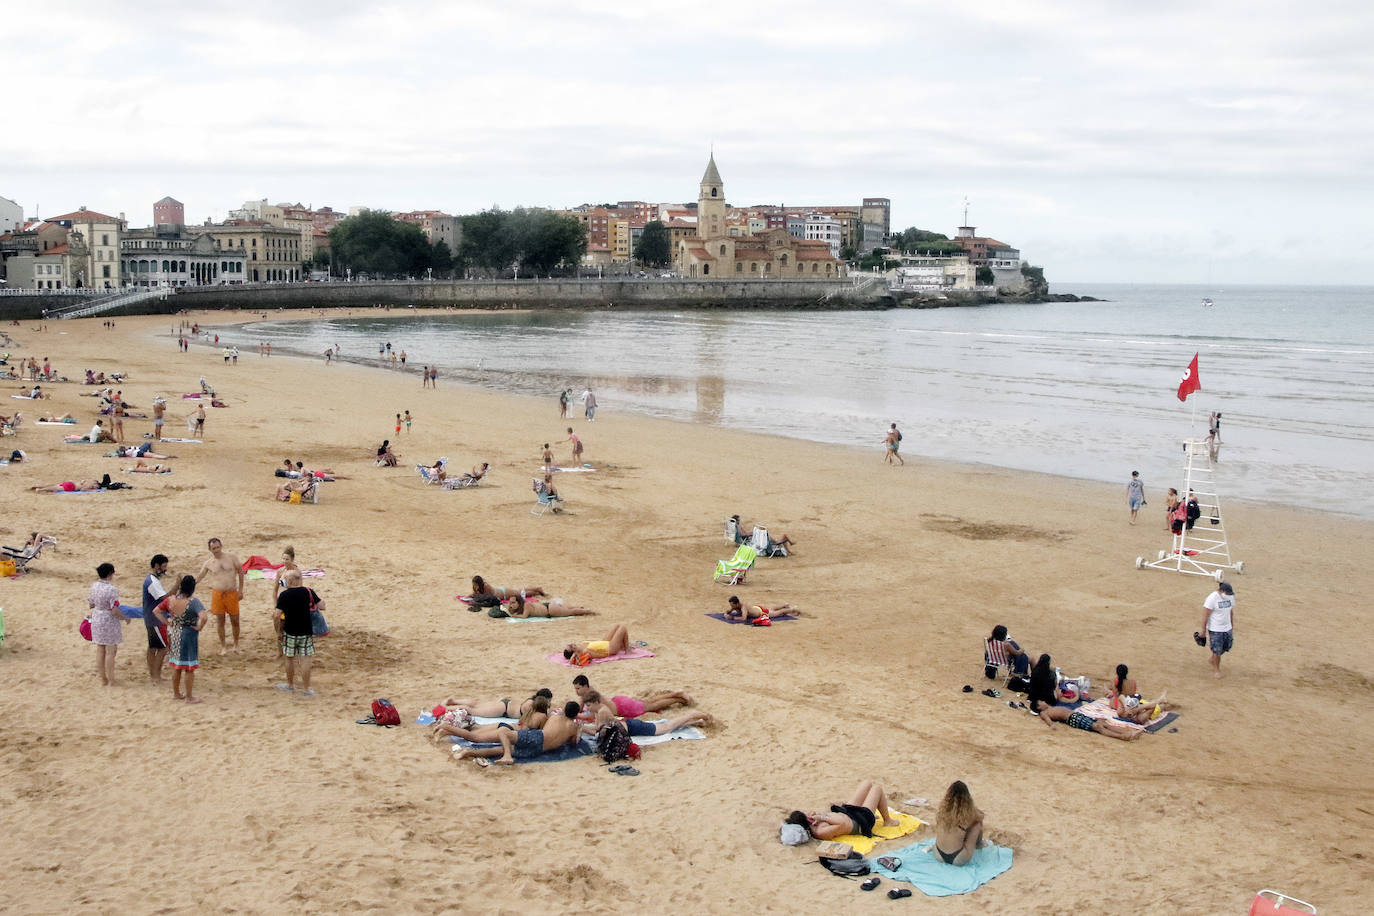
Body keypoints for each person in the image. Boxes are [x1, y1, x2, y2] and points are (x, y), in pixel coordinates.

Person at [452, 701, 585, 766]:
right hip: (539, 750)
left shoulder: (555, 717)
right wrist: (578, 730)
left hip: (536, 737)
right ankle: (468, 753)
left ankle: (507, 756)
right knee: (496, 750)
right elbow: (573, 743)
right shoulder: (573, 727)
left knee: (502, 732)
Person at [785, 781, 898, 840]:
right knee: (876, 789)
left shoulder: (814, 823)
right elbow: (842, 823)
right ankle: (887, 820)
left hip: (847, 812)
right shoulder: (820, 832)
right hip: (860, 821)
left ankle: (873, 810)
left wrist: (817, 815)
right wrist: (822, 817)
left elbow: (834, 817)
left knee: (867, 783)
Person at [156, 575, 208, 703]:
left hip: (175, 633)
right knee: (189, 667)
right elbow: (204, 617)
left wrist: (168, 623)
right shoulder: (194, 602)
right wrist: (199, 627)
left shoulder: (170, 600)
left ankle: (176, 693)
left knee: (177, 665)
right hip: (188, 635)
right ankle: (189, 697)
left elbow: (156, 611)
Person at [275, 570, 322, 697]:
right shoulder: (308, 591)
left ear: (289, 581)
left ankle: (290, 685)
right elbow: (322, 605)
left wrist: (278, 630)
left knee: (289, 658)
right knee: (305, 660)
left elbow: (277, 614)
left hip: (290, 631)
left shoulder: (284, 595)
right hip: (305, 632)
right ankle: (306, 689)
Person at [579, 691, 713, 736]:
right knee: (655, 708)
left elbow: (598, 731)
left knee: (667, 727)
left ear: (596, 702)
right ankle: (697, 722)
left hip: (633, 727)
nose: (588, 708)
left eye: (589, 705)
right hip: (629, 723)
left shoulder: (602, 712)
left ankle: (694, 714)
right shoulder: (599, 710)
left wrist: (582, 728)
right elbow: (598, 728)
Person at [432, 696, 552, 744]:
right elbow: (544, 732)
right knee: (474, 731)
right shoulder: (539, 716)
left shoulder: (530, 712)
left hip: (504, 722)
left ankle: (446, 730)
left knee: (474, 727)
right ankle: (445, 717)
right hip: (505, 721)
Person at [197, 537, 244, 656]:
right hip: (218, 594)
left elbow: (240, 572)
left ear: (221, 546)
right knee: (220, 621)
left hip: (232, 593)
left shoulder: (232, 558)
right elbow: (199, 577)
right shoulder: (208, 563)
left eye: (218, 547)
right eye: (214, 548)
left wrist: (241, 590)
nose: (216, 550)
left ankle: (236, 644)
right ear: (210, 549)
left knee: (235, 620)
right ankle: (223, 646)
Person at [88, 562, 130, 686]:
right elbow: (114, 609)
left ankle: (103, 679)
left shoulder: (94, 586)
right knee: (111, 651)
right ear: (110, 574)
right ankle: (111, 680)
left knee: (100, 649)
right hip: (108, 620)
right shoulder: (112, 589)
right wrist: (125, 617)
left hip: (97, 617)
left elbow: (91, 604)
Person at [571, 675, 694, 715]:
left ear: (585, 686)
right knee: (649, 701)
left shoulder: (589, 695)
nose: (577, 691)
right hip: (619, 702)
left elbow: (588, 715)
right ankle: (676, 694)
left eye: (578, 688)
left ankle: (677, 699)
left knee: (653, 706)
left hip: (622, 708)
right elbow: (581, 710)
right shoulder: (587, 693)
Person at [933, 781, 986, 866]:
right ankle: (979, 844)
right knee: (977, 825)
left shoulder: (942, 810)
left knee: (952, 828)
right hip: (958, 858)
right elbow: (981, 816)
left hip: (938, 854)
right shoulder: (969, 813)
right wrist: (972, 807)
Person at [1105, 663, 1171, 723]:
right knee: (1150, 706)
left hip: (1118, 704)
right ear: (1127, 673)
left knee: (1115, 698)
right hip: (1130, 704)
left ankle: (1160, 701)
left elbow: (1116, 694)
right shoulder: (1132, 682)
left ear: (1117, 673)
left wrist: (1111, 693)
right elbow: (1132, 695)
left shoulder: (1115, 681)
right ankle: (1160, 701)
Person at [1037, 704, 1143, 740]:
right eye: (1040, 703)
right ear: (1039, 707)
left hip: (1076, 716)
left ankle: (1129, 732)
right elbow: (1048, 721)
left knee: (1103, 724)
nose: (1043, 702)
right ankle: (1122, 736)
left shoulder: (1049, 707)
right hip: (1073, 719)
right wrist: (1052, 726)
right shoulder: (1044, 713)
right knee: (1097, 727)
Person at [439, 688, 553, 721]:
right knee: (474, 711)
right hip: (503, 709)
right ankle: (448, 707)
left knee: (478, 704)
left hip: (506, 704)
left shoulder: (532, 701)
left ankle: (454, 701)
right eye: (549, 701)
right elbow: (528, 719)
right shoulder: (531, 705)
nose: (550, 703)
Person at [1201, 581, 1235, 679]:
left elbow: (1231, 611)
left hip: (1227, 627)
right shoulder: (1212, 598)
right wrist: (1203, 630)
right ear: (1222, 591)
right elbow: (1206, 615)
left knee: (1227, 646)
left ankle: (1212, 659)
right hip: (1215, 629)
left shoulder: (1230, 597)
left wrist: (1232, 625)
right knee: (1217, 650)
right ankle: (1217, 669)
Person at [562, 624, 631, 662]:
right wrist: (610, 654)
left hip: (604, 642)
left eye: (569, 644)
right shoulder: (585, 651)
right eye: (570, 646)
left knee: (617, 626)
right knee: (622, 628)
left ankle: (622, 646)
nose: (571, 644)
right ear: (573, 652)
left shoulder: (581, 645)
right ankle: (627, 650)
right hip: (610, 648)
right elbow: (600, 656)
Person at [507, 594, 595, 618]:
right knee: (566, 609)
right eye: (510, 603)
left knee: (571, 613)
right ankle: (579, 607)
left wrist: (514, 615)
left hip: (550, 610)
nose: (511, 605)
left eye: (513, 603)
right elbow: (512, 611)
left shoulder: (526, 605)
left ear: (519, 602)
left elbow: (524, 616)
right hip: (548, 607)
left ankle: (587, 611)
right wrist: (510, 609)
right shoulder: (523, 606)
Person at [470, 576, 547, 601]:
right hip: (501, 592)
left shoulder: (485, 586)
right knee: (518, 591)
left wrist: (477, 594)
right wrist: (469, 596)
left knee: (521, 594)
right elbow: (474, 594)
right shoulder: (476, 587)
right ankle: (537, 590)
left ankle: (537, 591)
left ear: (479, 583)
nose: (475, 586)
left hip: (503, 593)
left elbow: (488, 596)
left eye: (475, 584)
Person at [725, 595, 796, 621]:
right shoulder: (735, 606)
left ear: (737, 604)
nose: (731, 607)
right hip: (757, 608)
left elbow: (744, 618)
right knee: (771, 608)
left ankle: (792, 609)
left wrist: (732, 618)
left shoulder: (744, 608)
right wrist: (726, 613)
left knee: (779, 612)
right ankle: (784, 605)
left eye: (732, 605)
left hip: (761, 612)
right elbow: (729, 611)